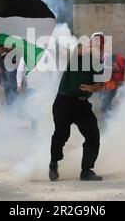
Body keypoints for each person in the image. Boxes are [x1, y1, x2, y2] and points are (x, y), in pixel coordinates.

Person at [49, 32, 105, 182]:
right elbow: (82, 50)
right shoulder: (80, 52)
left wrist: (91, 88)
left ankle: (86, 171)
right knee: (61, 134)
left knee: (93, 135)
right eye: (95, 41)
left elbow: (100, 84)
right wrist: (92, 46)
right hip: (64, 101)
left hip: (81, 105)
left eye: (101, 42)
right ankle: (53, 163)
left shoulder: (98, 64)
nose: (97, 44)